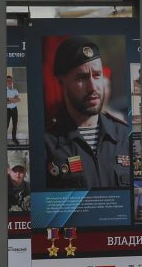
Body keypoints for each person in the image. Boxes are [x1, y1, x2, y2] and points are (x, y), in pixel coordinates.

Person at [45, 36, 131, 189]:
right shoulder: (47, 142)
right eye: (81, 78)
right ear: (61, 82)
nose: (93, 87)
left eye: (97, 75)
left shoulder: (124, 136)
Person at [6, 75, 20, 145]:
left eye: (10, 80)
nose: (9, 82)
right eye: (7, 80)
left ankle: (14, 139)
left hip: (14, 109)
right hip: (7, 110)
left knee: (15, 124)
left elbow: (18, 100)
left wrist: (9, 99)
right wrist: (14, 99)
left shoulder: (15, 90)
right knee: (6, 125)